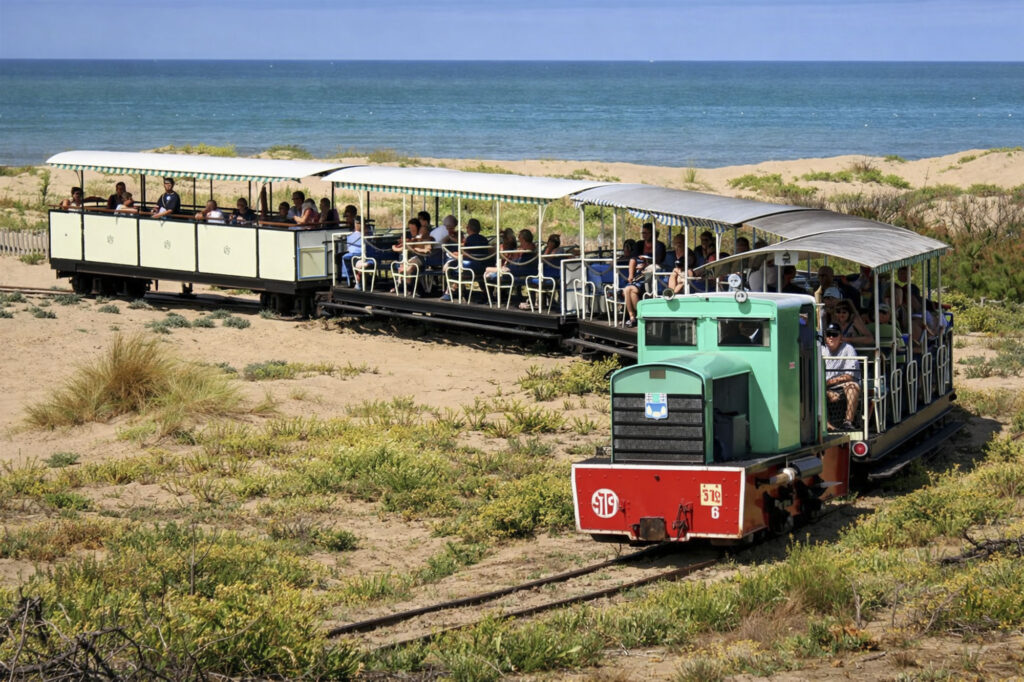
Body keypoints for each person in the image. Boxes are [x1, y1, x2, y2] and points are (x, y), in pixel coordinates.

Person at [822, 322, 861, 431]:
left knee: (853, 387)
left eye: (834, 335)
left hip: (839, 385)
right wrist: (826, 389)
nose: (831, 338)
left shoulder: (848, 349)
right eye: (828, 334)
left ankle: (848, 422)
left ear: (841, 337)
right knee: (815, 391)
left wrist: (829, 383)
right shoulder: (820, 349)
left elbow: (849, 376)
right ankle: (826, 425)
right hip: (822, 385)